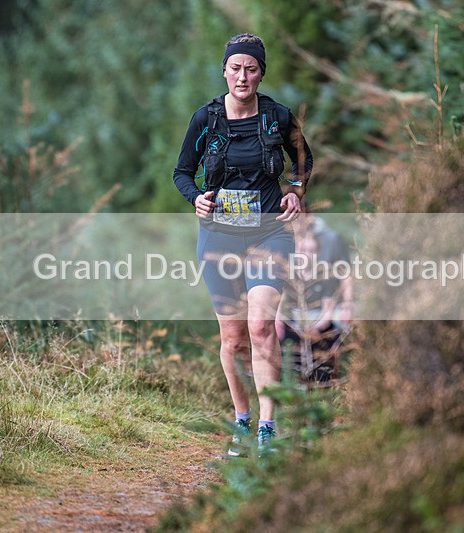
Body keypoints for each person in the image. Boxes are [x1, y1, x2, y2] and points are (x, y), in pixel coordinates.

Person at [173, 34, 313, 456]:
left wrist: (295, 191)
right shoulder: (206, 119)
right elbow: (182, 172)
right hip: (219, 238)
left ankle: (268, 430)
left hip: (270, 233)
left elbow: (304, 162)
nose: (243, 76)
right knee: (233, 338)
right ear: (225, 71)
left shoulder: (277, 117)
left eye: (251, 68)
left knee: (261, 327)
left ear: (261, 73)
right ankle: (242, 420)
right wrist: (195, 197)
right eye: (235, 68)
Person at [276, 211, 353, 384]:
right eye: (303, 250)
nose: (307, 254)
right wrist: (279, 319)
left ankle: (323, 384)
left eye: (312, 251)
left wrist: (316, 328)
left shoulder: (324, 274)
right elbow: (281, 300)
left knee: (326, 343)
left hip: (318, 323)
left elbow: (328, 308)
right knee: (289, 345)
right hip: (296, 321)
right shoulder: (290, 274)